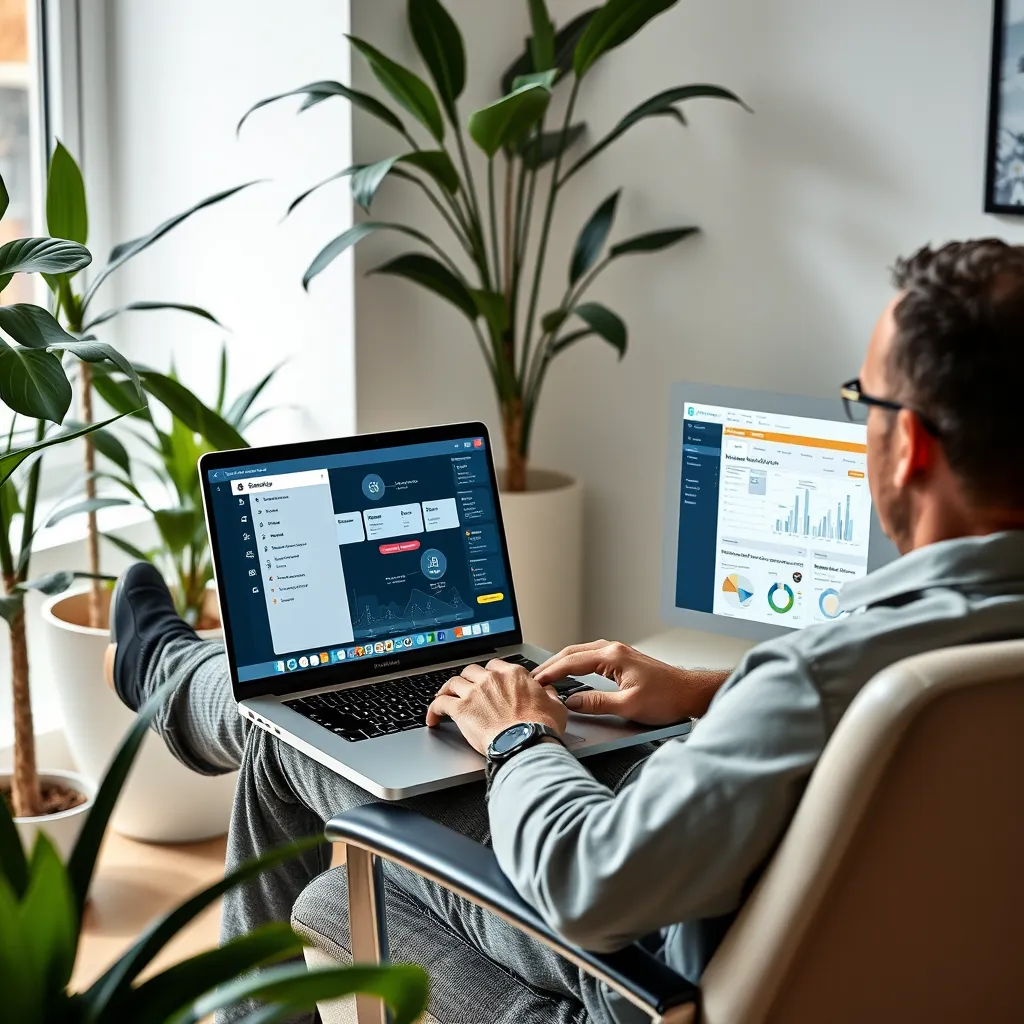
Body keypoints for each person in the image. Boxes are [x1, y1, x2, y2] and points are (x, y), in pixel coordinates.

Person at [106, 239, 1024, 1024]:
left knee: (287, 744)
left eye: (860, 402)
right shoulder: (928, 659)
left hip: (631, 976)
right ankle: (183, 680)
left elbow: (592, 890)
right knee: (327, 854)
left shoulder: (820, 675)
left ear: (908, 446)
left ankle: (179, 682)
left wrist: (518, 734)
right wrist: (711, 693)